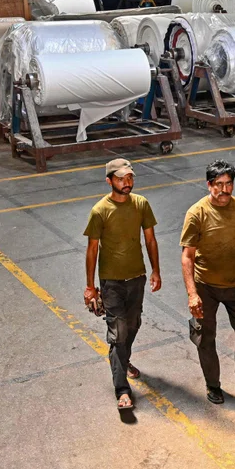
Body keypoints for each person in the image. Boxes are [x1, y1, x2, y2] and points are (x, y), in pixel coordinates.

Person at [83, 159, 162, 410]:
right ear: (109, 181)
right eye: (120, 179)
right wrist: (90, 286)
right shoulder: (99, 211)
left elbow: (150, 239)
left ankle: (122, 358)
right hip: (112, 282)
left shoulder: (141, 204)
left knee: (133, 324)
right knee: (118, 333)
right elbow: (92, 249)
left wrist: (155, 271)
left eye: (129, 178)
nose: (126, 183)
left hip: (136, 277)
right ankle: (122, 390)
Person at [181, 160, 235, 405]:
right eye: (219, 185)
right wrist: (192, 294)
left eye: (229, 184)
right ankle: (213, 384)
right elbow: (187, 256)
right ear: (209, 185)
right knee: (206, 337)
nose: (225, 190)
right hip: (206, 286)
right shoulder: (196, 213)